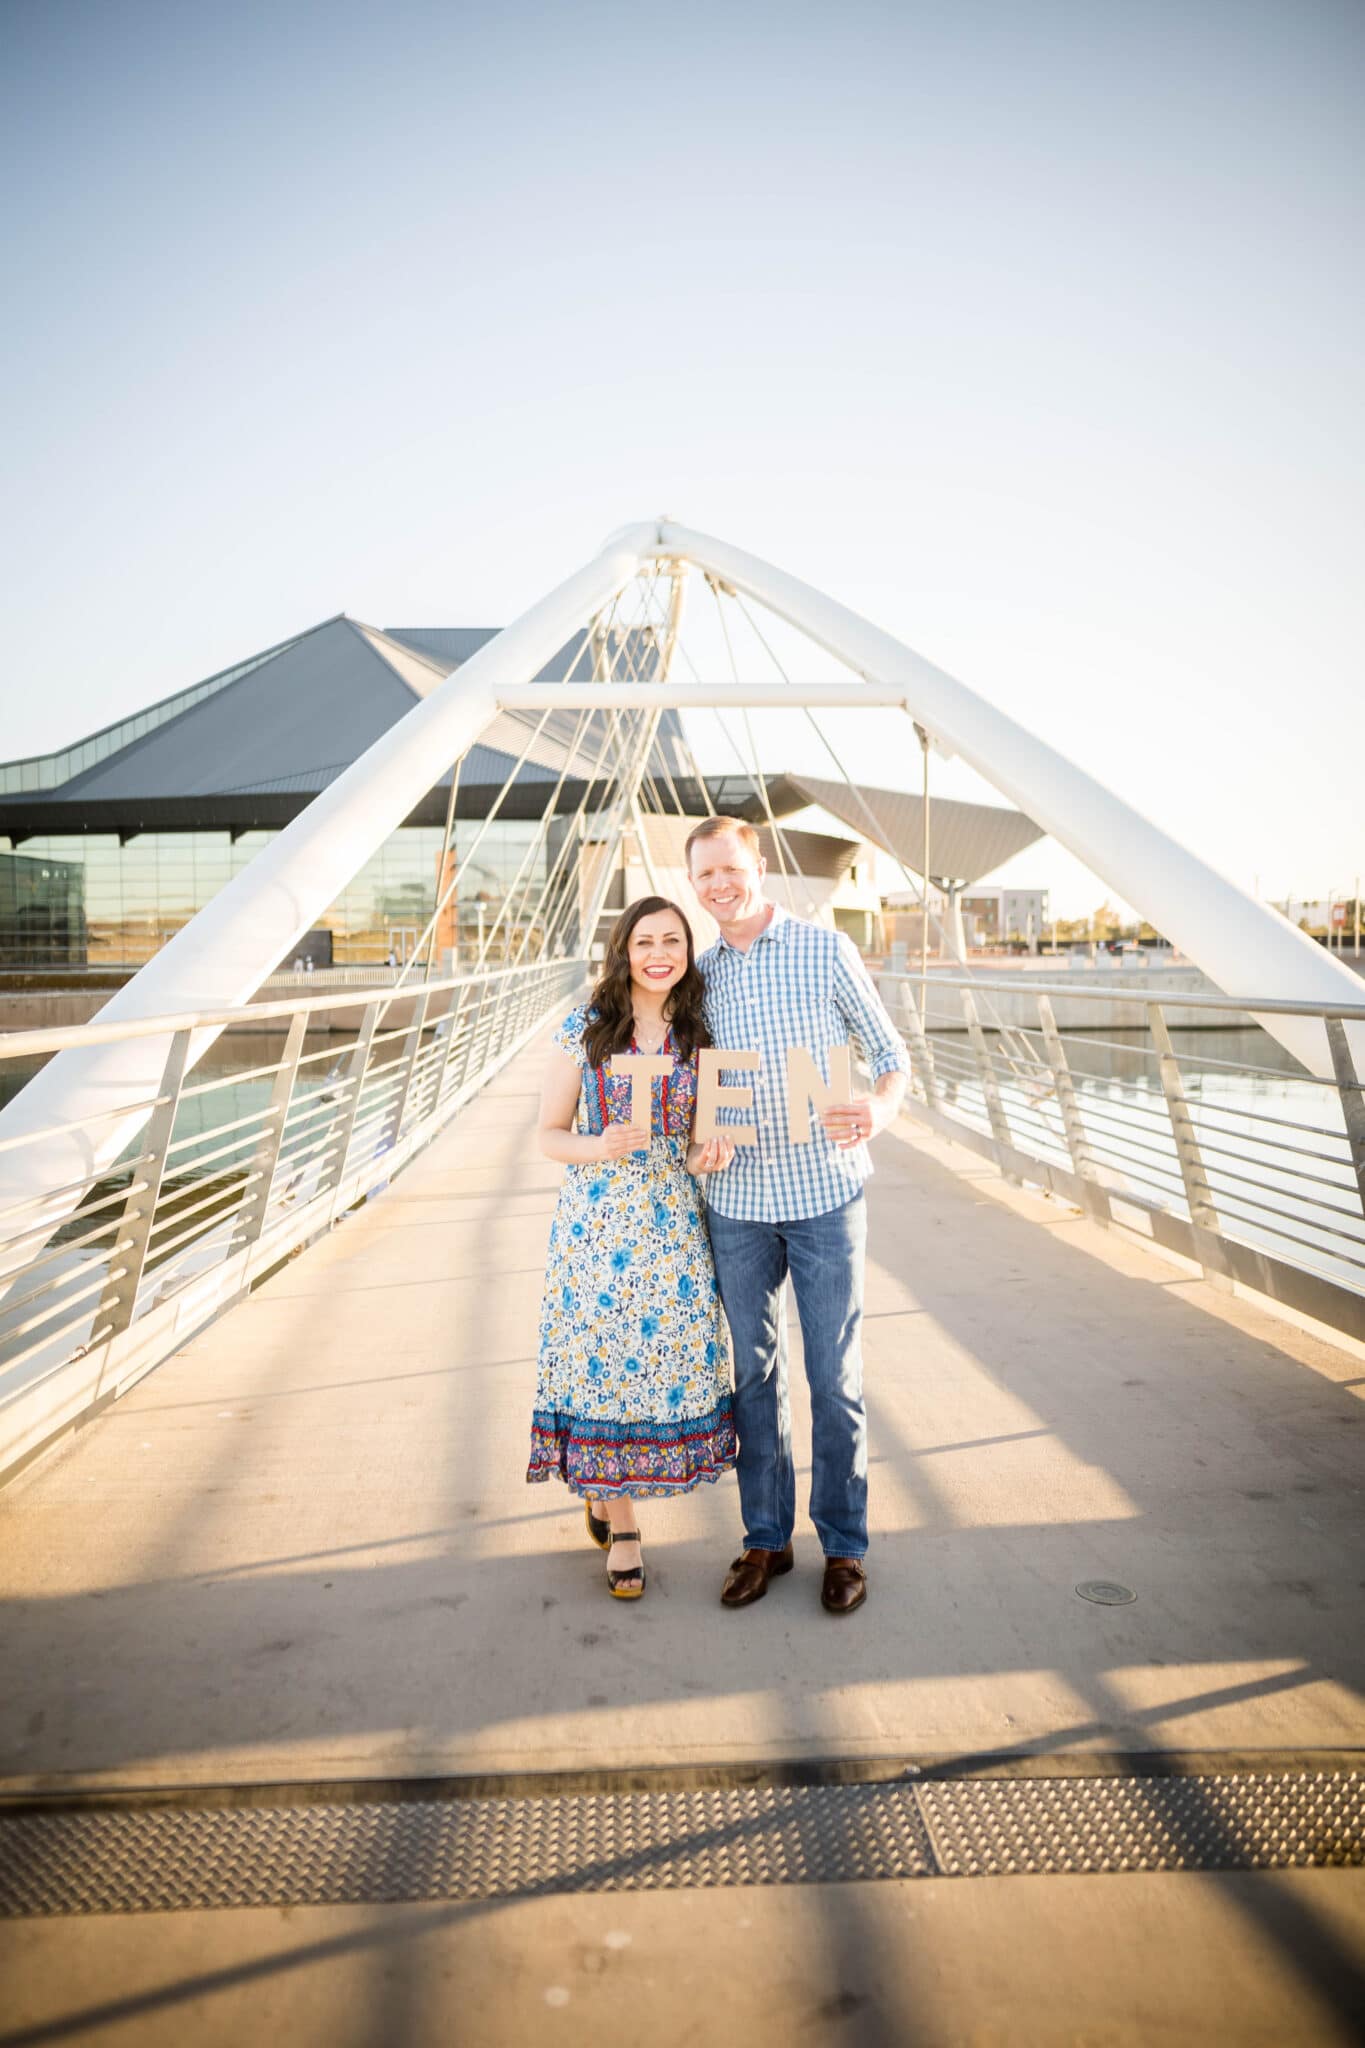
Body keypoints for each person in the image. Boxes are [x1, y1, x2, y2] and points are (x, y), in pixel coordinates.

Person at [687, 817, 909, 1617]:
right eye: (704, 874)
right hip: (738, 1206)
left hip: (823, 1194)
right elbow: (691, 1090)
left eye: (730, 868)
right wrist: (697, 1138)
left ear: (759, 866)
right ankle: (765, 1539)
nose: (719, 885)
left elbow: (890, 1057)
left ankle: (843, 1547)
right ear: (694, 883)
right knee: (753, 1380)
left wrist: (875, 1113)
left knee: (832, 1379)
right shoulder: (697, 975)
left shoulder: (824, 950)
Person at [527, 895, 737, 1598]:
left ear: (686, 951)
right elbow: (548, 1135)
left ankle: (601, 1488)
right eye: (644, 941)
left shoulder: (702, 1034)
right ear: (623, 950)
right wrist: (599, 1144)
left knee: (656, 1362)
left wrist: (712, 1151)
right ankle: (622, 1526)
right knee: (603, 1362)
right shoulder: (585, 1029)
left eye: (671, 941)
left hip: (672, 1224)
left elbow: (711, 1136)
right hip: (596, 1227)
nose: (658, 954)